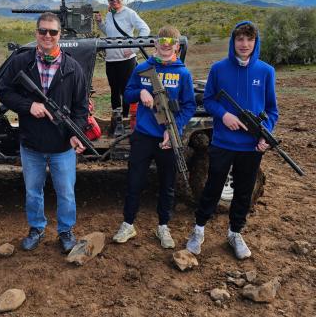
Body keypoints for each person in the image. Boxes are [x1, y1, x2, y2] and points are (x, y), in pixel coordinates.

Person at [186, 21, 278, 260]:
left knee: (244, 192)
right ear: (233, 42)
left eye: (249, 39)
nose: (244, 44)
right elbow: (208, 100)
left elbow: (272, 110)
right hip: (223, 143)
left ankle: (235, 233)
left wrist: (265, 134)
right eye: (240, 39)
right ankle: (198, 230)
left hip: (251, 146)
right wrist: (224, 115)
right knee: (212, 188)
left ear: (255, 42)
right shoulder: (218, 69)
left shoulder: (266, 71)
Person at [0, 12, 88, 254]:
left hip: (62, 146)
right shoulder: (21, 62)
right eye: (43, 31)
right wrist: (30, 106)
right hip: (31, 145)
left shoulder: (73, 68)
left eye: (53, 32)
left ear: (60, 35)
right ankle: (36, 228)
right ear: (36, 33)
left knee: (66, 193)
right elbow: (4, 92)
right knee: (32, 191)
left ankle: (66, 231)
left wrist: (75, 133)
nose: (48, 36)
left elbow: (80, 108)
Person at [113, 26, 196, 247]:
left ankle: (163, 227)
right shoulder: (142, 68)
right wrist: (140, 93)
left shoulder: (183, 73)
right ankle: (128, 224)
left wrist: (174, 128)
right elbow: (127, 93)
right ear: (155, 44)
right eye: (162, 40)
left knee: (167, 184)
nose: (166, 44)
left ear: (177, 45)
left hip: (168, 138)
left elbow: (189, 106)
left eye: (171, 41)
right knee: (134, 182)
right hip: (143, 136)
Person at [95, 0, 150, 122]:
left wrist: (134, 49)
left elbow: (145, 29)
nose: (114, 0)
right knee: (114, 90)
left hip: (127, 59)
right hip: (111, 59)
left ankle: (126, 118)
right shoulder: (109, 14)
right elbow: (110, 33)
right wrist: (100, 23)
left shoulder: (129, 13)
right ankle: (116, 118)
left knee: (127, 90)